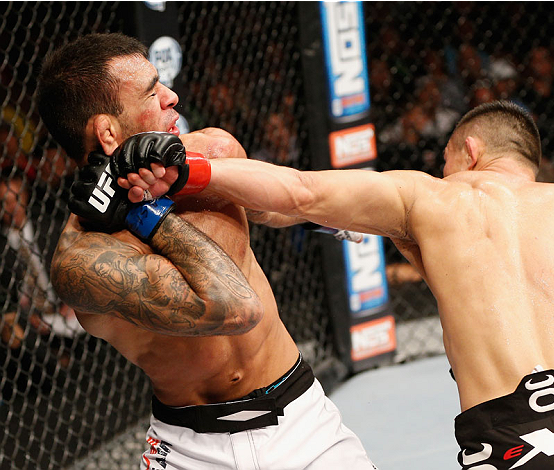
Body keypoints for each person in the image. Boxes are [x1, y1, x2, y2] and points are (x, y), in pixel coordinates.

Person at [120, 101, 554, 469]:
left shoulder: (432, 198)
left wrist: (183, 171)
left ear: (468, 151)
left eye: (446, 161)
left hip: (513, 442)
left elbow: (297, 193)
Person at [37, 32, 376, 470]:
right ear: (107, 131)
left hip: (301, 419)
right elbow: (236, 309)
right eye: (151, 92)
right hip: (191, 452)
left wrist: (342, 220)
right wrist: (146, 215)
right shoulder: (83, 261)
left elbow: (272, 205)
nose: (172, 96)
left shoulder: (209, 151)